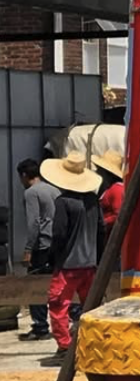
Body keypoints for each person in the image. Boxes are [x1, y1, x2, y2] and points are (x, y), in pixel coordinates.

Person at [38, 152, 102, 360]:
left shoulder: (63, 201)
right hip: (90, 264)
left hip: (68, 265)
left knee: (58, 305)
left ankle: (65, 347)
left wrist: (51, 257)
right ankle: (93, 344)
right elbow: (101, 229)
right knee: (91, 306)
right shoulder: (93, 200)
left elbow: (59, 234)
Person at [17, 157, 56, 342]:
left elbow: (34, 223)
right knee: (56, 285)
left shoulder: (31, 193)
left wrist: (28, 249)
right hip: (56, 244)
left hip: (41, 246)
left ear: (25, 175)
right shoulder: (53, 189)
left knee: (35, 286)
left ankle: (40, 327)